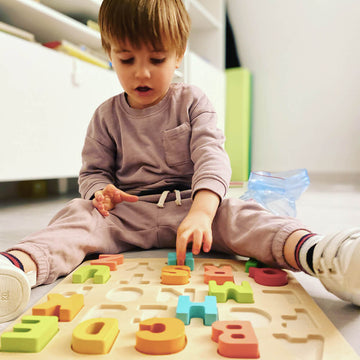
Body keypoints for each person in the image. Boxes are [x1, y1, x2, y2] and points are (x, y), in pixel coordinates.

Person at [1, 0, 360, 324]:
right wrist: (100, 192)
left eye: (156, 59)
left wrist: (204, 211)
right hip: (126, 214)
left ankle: (320, 255)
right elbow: (93, 171)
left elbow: (211, 157)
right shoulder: (106, 115)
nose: (142, 73)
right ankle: (17, 266)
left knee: (243, 215)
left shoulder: (191, 100)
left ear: (179, 54)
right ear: (109, 52)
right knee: (77, 215)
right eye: (127, 59)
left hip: (191, 209)